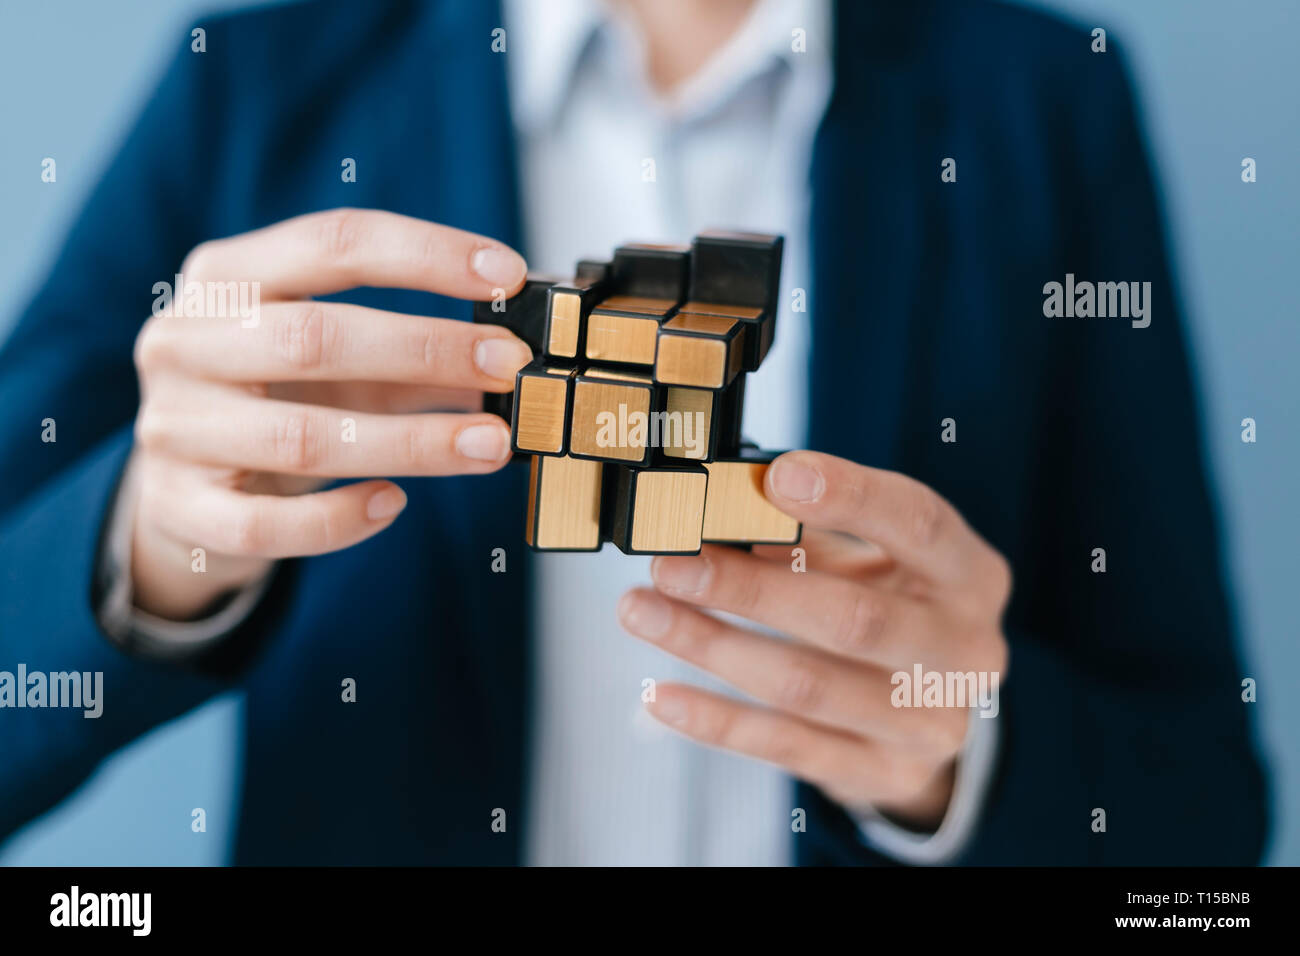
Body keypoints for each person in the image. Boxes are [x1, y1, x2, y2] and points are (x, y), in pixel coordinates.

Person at [0, 0, 1268, 865]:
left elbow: (1204, 814)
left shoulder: (1042, 100)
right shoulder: (255, 84)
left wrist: (957, 754)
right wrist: (148, 546)